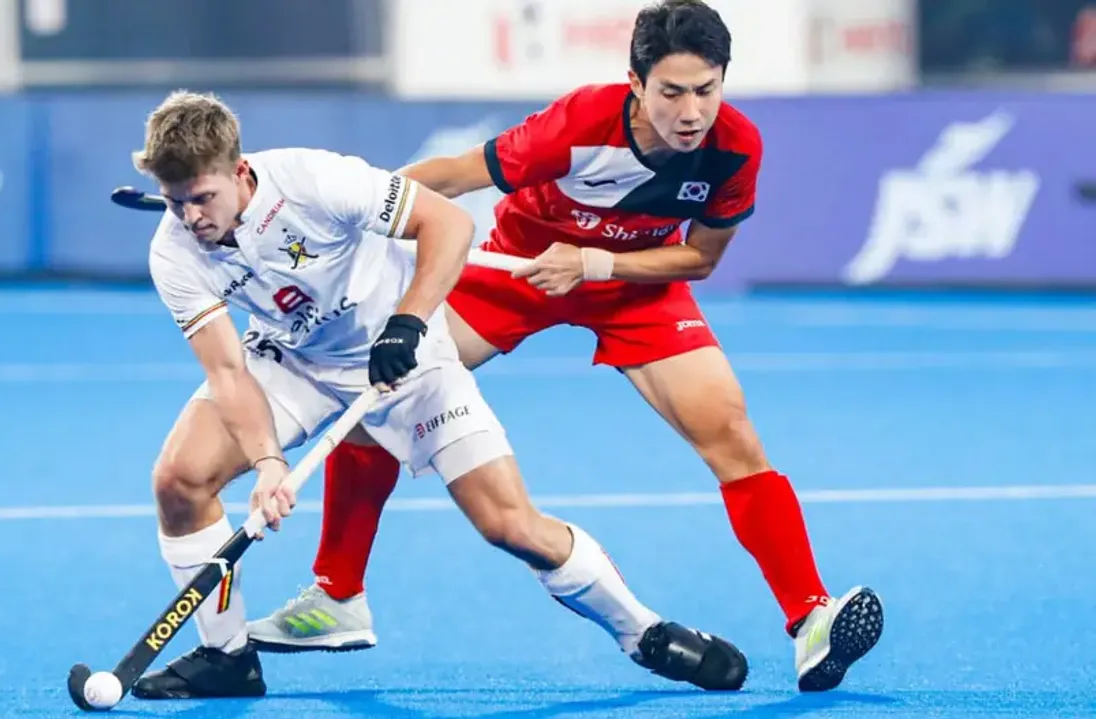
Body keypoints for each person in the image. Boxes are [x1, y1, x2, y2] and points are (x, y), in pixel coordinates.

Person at [246, 0, 883, 694]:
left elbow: (700, 258)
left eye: (706, 90)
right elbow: (457, 174)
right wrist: (345, 205)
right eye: (672, 92)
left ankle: (810, 617)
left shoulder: (736, 147)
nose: (692, 111)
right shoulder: (581, 124)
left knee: (731, 432)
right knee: (381, 392)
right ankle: (338, 594)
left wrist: (597, 265)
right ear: (636, 83)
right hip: (519, 271)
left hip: (634, 286)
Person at [126, 89, 750, 700]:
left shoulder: (315, 179)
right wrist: (268, 462)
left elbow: (448, 223)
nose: (191, 218)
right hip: (292, 360)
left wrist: (409, 321)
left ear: (240, 171)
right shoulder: (175, 253)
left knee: (509, 525)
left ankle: (643, 632)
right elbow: (228, 372)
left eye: (202, 198)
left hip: (408, 359)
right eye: (175, 202)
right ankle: (226, 657)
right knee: (179, 480)